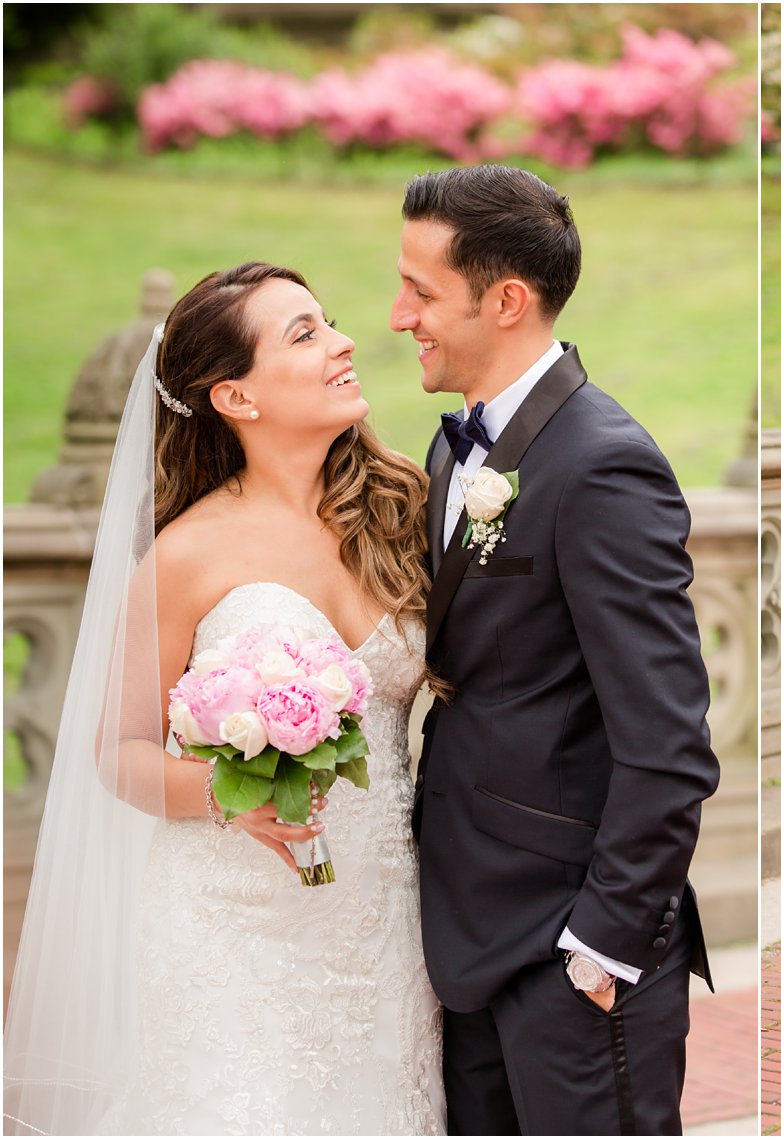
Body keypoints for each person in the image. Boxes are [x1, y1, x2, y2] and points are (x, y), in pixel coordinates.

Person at [4, 263, 445, 1134]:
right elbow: (118, 750)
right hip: (238, 931)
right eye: (305, 333)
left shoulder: (398, 509)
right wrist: (226, 796)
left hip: (388, 927)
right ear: (235, 397)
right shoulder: (186, 555)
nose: (345, 342)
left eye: (329, 322)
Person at [392, 164, 720, 1136]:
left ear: (505, 300)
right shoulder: (456, 450)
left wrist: (601, 945)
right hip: (471, 935)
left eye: (419, 289)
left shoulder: (602, 462)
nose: (398, 313)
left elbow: (669, 743)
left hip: (571, 954)